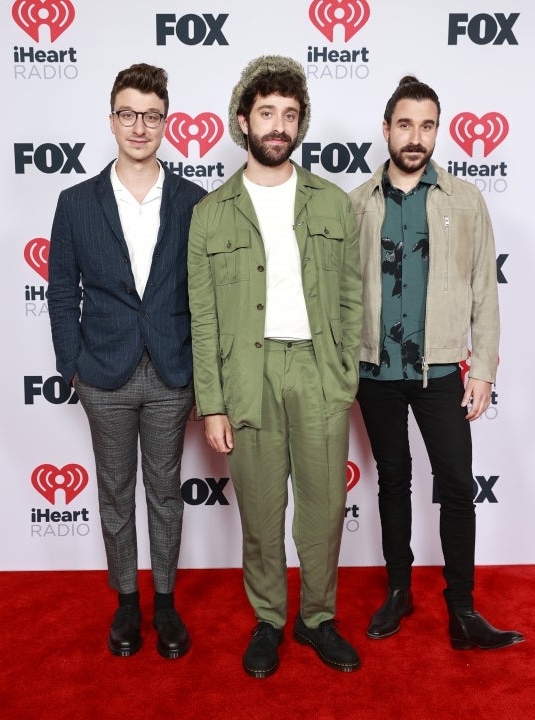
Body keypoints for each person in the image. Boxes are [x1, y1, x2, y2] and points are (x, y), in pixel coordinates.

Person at [188, 55, 363, 677]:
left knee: (323, 509)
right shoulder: (211, 212)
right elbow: (203, 318)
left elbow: (351, 297)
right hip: (247, 375)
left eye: (290, 114)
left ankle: (317, 618)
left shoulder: (333, 203)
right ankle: (268, 620)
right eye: (267, 113)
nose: (279, 125)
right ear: (243, 120)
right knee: (261, 514)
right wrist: (213, 404)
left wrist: (343, 374)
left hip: (318, 371)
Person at [349, 76, 524, 650]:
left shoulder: (465, 200)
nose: (416, 137)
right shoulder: (357, 203)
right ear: (386, 129)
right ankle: (399, 591)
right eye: (405, 124)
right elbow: (342, 292)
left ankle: (463, 610)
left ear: (436, 131)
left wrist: (484, 369)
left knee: (455, 483)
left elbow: (485, 292)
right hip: (375, 371)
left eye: (427, 126)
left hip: (442, 369)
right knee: (392, 480)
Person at [48, 63, 206, 658]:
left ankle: (164, 602)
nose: (139, 126)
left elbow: (205, 296)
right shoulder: (75, 203)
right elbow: (61, 292)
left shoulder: (194, 202)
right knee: (115, 492)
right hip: (103, 374)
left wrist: (201, 374)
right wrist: (72, 366)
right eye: (128, 114)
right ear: (111, 119)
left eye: (151, 116)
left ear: (167, 122)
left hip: (171, 371)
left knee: (165, 491)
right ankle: (126, 603)